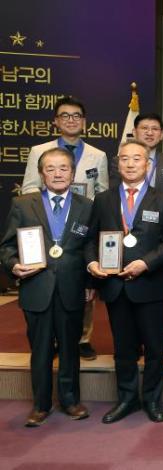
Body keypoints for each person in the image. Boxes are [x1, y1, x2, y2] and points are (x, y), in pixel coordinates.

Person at [86, 140, 163, 424]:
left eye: (136, 159)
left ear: (148, 164)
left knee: (154, 347)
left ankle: (152, 399)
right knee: (123, 348)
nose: (130, 164)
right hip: (115, 287)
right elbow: (89, 240)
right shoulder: (103, 199)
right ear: (117, 164)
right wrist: (92, 263)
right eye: (124, 159)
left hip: (150, 285)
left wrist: (146, 263)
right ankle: (127, 399)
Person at [0, 147, 93, 427]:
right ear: (41, 174)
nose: (57, 174)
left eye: (63, 168)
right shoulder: (23, 204)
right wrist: (14, 265)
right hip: (36, 287)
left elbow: (90, 247)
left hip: (71, 287)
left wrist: (91, 282)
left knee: (70, 349)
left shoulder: (87, 206)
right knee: (40, 350)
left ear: (72, 173)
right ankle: (41, 404)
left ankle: (70, 400)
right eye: (50, 169)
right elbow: (7, 247)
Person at [22, 95, 108, 361]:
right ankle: (50, 338)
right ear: (56, 121)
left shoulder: (98, 155)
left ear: (84, 121)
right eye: (65, 115)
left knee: (82, 285)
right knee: (47, 284)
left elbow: (102, 192)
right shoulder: (39, 150)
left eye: (76, 116)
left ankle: (82, 338)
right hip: (49, 228)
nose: (71, 120)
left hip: (81, 228)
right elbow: (29, 188)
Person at [110, 112, 163, 359]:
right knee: (126, 295)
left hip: (160, 237)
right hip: (128, 235)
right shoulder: (119, 161)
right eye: (144, 128)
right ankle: (134, 342)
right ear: (135, 132)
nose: (149, 132)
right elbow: (115, 193)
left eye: (155, 129)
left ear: (161, 135)